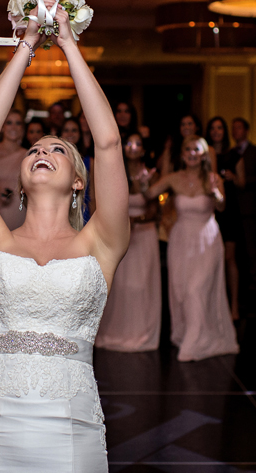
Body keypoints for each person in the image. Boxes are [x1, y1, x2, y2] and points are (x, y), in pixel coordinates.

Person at [0, 0, 129, 470]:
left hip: (72, 425)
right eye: (34, 148)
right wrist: (26, 42)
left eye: (57, 149)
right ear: (21, 176)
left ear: (78, 180)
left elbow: (108, 142)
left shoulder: (101, 242)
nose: (42, 150)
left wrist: (68, 44)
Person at [144, 135, 238, 362]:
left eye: (196, 149)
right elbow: (148, 195)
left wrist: (216, 193)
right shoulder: (173, 178)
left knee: (197, 288)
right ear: (183, 154)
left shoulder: (213, 178)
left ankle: (194, 343)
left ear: (204, 154)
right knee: (183, 290)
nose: (191, 153)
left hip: (207, 239)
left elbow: (222, 206)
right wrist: (145, 181)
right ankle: (191, 334)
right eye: (187, 149)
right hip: (181, 240)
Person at [95, 133, 161, 352]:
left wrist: (134, 220)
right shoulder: (115, 174)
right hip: (120, 236)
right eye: (129, 143)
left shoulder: (150, 175)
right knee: (120, 285)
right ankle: (116, 331)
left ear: (143, 150)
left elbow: (154, 211)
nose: (133, 147)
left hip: (144, 235)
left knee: (141, 285)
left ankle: (141, 332)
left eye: (138, 144)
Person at [208, 115, 242, 320]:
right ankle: (214, 306)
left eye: (219, 128)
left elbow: (243, 182)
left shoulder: (234, 154)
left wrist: (233, 178)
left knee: (229, 258)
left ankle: (234, 305)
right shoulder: (203, 154)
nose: (216, 131)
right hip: (208, 211)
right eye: (212, 128)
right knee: (211, 260)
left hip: (229, 211)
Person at [229, 117, 256, 287]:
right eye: (233, 128)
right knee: (235, 245)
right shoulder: (230, 153)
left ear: (246, 130)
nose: (235, 131)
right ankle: (240, 276)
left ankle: (255, 276)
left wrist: (242, 180)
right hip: (233, 205)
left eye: (238, 128)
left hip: (249, 205)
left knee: (251, 242)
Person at [0, 110, 26, 231]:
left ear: (22, 128)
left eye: (18, 123)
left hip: (20, 207)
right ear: (2, 127)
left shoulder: (28, 154)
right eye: (9, 122)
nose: (13, 127)